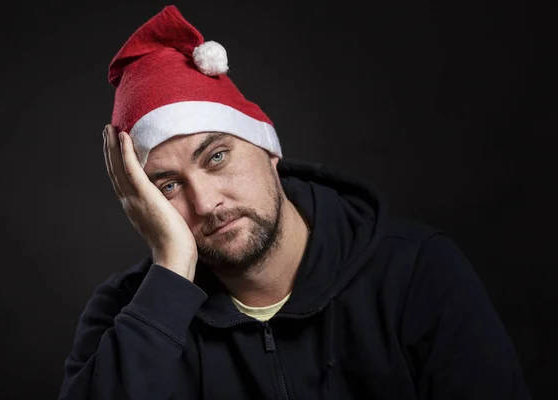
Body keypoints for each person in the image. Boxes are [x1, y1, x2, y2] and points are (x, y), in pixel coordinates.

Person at [59, 5, 530, 399]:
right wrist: (170, 273)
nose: (205, 202)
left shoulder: (416, 271)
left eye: (218, 157)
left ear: (268, 149)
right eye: (167, 186)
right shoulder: (126, 313)